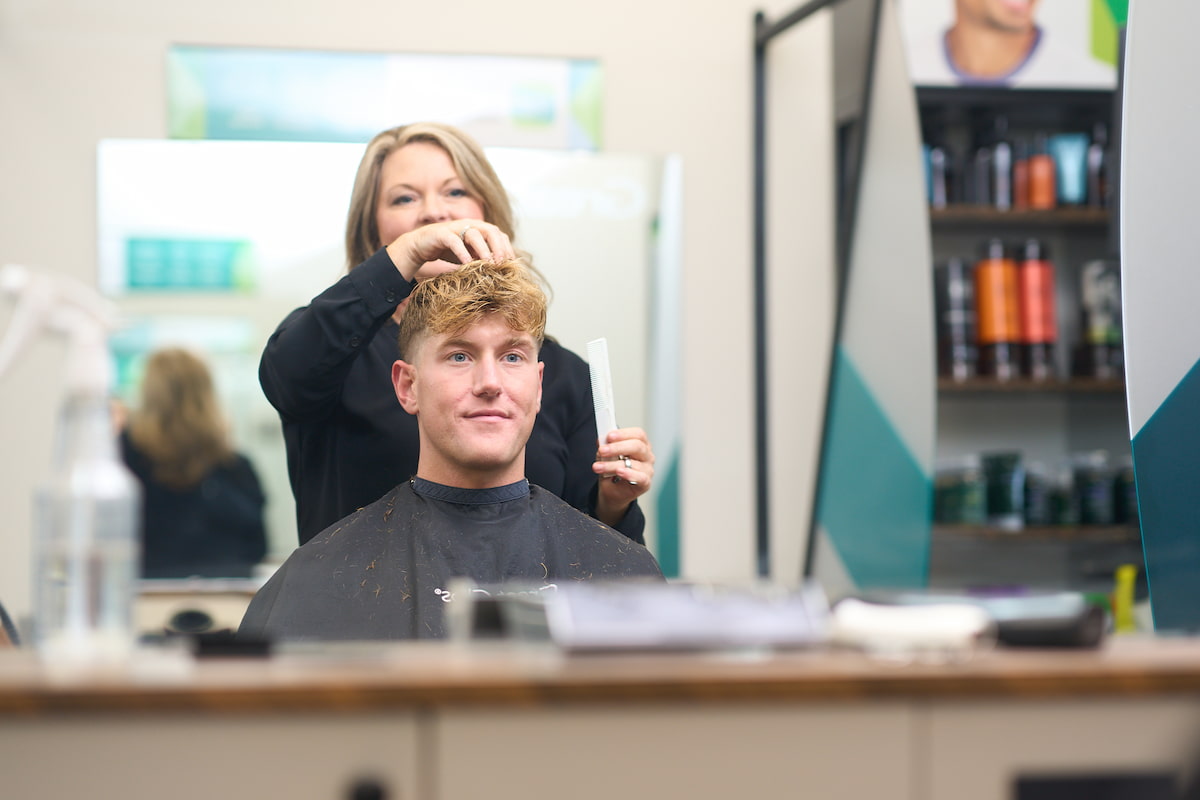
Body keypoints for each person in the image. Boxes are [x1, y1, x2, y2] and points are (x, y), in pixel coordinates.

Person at [259, 122, 654, 547]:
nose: (433, 213)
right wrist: (408, 253)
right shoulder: (332, 354)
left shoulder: (562, 374)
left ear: (489, 214)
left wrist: (614, 502)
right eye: (404, 198)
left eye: (455, 192)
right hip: (360, 608)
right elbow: (289, 374)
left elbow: (595, 557)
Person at [239, 260, 663, 641]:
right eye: (459, 356)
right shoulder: (318, 579)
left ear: (538, 387)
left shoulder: (622, 568)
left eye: (512, 357)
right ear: (408, 386)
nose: (490, 382)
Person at [120, 347, 268, 578]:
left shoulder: (123, 462)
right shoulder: (235, 468)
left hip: (143, 597)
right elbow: (258, 549)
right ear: (207, 395)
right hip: (227, 601)